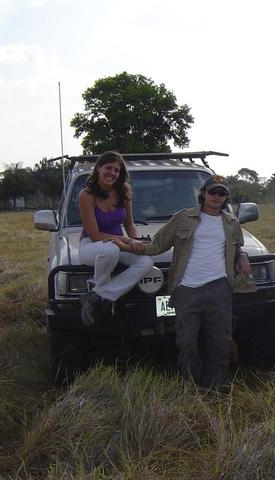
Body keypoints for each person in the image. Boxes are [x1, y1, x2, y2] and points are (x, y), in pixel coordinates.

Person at [116, 174, 255, 388]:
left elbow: (237, 248)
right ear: (203, 194)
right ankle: (192, 386)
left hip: (219, 288)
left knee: (219, 343)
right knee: (187, 343)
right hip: (186, 290)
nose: (216, 197)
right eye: (212, 192)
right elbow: (157, 245)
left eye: (221, 194)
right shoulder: (183, 218)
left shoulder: (232, 223)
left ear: (226, 198)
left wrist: (243, 256)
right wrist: (125, 245)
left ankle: (215, 388)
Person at [78, 151, 153, 326]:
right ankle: (103, 297)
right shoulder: (86, 195)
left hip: (118, 244)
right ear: (98, 168)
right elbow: (95, 235)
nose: (112, 173)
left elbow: (129, 224)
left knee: (146, 262)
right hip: (91, 245)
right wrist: (127, 242)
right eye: (108, 168)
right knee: (110, 250)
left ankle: (98, 295)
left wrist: (137, 243)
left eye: (117, 170)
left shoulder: (124, 190)